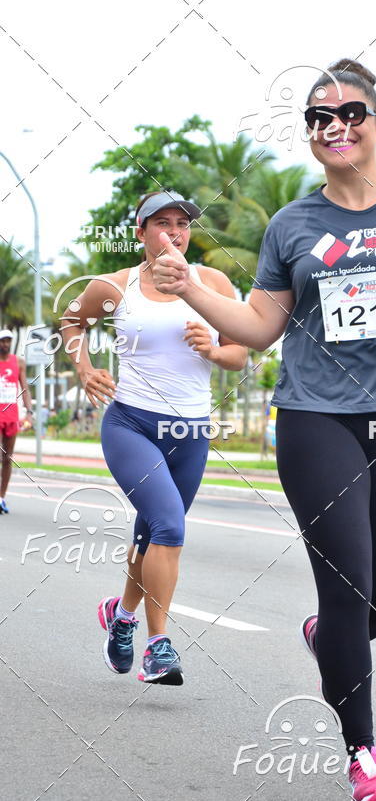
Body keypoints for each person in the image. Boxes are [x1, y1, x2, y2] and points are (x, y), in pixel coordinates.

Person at [151, 60, 376, 801]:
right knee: (348, 583)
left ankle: (330, 635)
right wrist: (189, 286)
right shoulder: (293, 224)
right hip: (316, 418)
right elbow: (257, 328)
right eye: (319, 118)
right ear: (312, 136)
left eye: (350, 112)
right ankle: (364, 756)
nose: (335, 126)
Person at [60, 190, 247, 685]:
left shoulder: (214, 282)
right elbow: (71, 319)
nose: (174, 232)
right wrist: (84, 369)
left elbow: (239, 356)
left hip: (191, 430)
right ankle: (157, 646)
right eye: (160, 223)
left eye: (182, 223)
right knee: (169, 527)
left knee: (151, 535)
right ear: (140, 232)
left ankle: (121, 616)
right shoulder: (117, 286)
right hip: (131, 425)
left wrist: (212, 348)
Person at [0, 329, 34, 514]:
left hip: (11, 416)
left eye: (8, 341)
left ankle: (1, 497)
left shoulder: (18, 362)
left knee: (7, 458)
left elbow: (25, 389)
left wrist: (29, 412)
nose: (5, 344)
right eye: (2, 341)